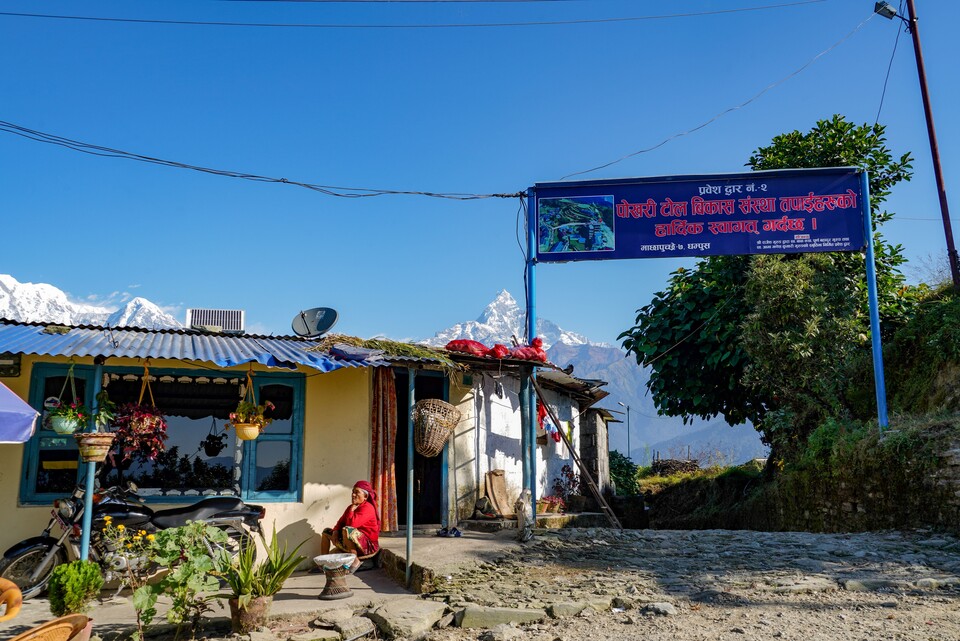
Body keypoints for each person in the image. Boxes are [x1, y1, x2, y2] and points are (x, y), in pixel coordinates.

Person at [320, 480, 380, 573]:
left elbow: (352, 524)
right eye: (353, 492)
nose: (353, 495)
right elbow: (340, 522)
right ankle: (324, 564)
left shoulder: (367, 508)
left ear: (365, 496)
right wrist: (335, 531)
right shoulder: (351, 507)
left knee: (347, 530)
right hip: (352, 541)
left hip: (367, 546)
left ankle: (354, 560)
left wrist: (352, 510)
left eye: (357, 492)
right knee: (326, 532)